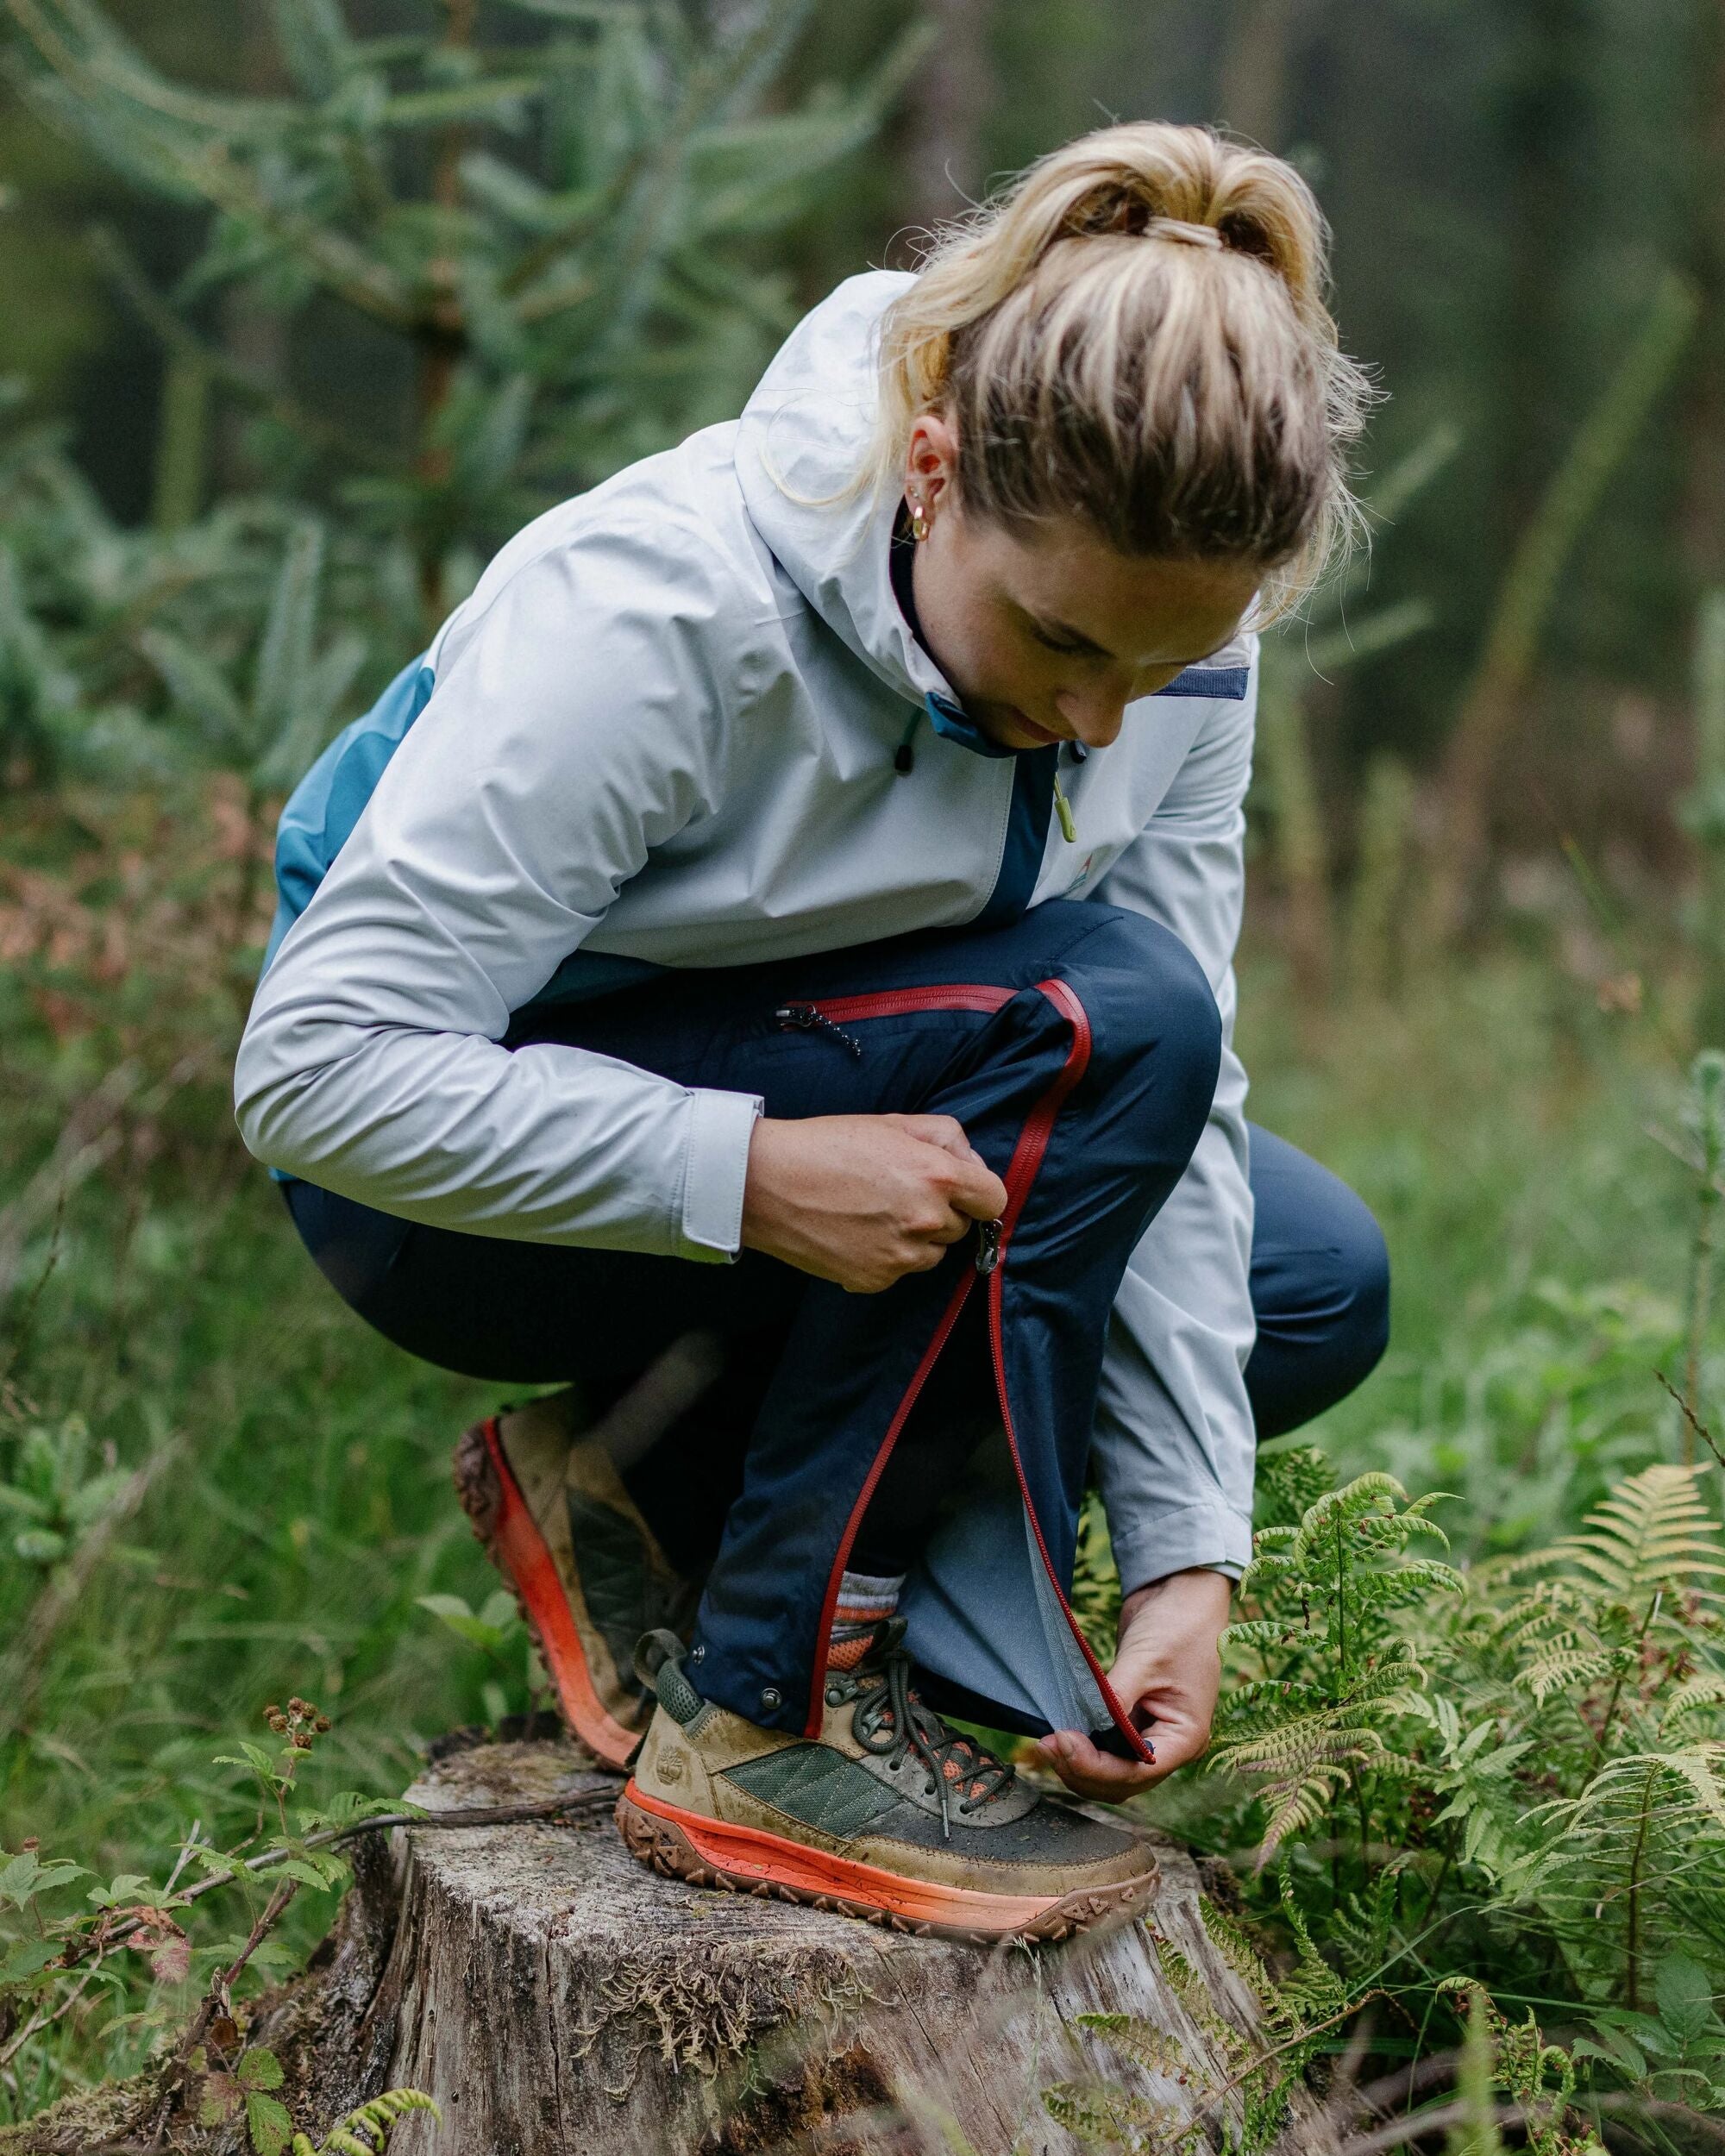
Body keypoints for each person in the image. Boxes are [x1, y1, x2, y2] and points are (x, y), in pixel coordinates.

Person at [235, 120, 1389, 1943]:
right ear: (930, 460)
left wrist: (1185, 1542)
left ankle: (639, 1479)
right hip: (459, 1192)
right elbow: (315, 1073)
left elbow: (1186, 1086)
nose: (1098, 724)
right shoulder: (664, 608)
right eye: (1058, 640)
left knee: (1308, 1283)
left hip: (881, 1077)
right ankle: (769, 1709)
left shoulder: (1167, 651)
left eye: (1157, 672)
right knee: (1110, 1020)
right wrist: (750, 1170)